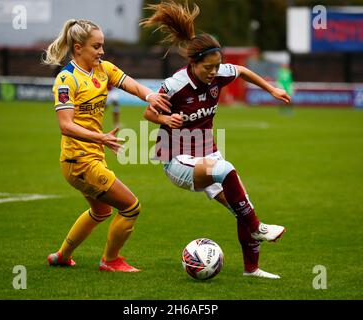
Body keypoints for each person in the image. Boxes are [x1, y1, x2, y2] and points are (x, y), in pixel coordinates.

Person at [141, 1, 291, 279]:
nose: (214, 73)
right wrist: (163, 119)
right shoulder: (175, 85)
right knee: (226, 170)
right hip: (176, 160)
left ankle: (252, 269)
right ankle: (258, 228)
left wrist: (272, 89)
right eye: (208, 68)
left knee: (242, 207)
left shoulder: (219, 73)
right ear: (193, 63)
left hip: (207, 152)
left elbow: (243, 71)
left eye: (217, 67)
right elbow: (149, 111)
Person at [43, 19, 171, 272]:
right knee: (131, 206)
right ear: (78, 48)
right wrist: (101, 137)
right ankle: (110, 261)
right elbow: (65, 125)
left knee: (101, 211)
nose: (101, 51)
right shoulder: (66, 80)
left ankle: (62, 256)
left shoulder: (104, 69)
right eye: (96, 46)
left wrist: (151, 95)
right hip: (79, 161)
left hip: (90, 158)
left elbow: (131, 84)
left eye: (102, 46)